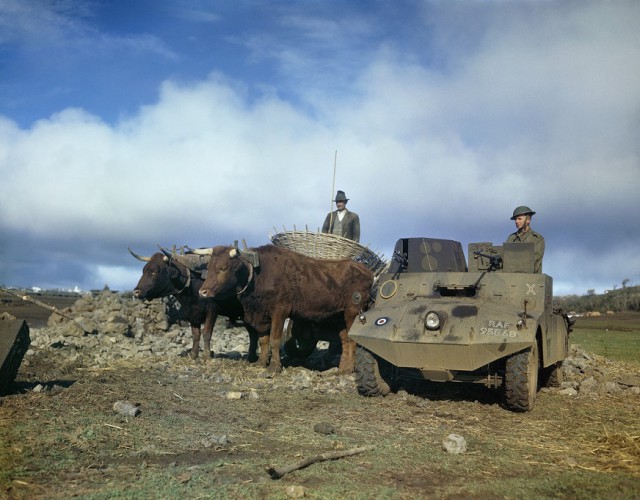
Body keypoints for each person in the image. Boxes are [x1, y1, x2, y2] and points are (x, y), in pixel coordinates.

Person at [506, 205, 545, 273]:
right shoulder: (511, 238)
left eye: (519, 219)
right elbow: (506, 259)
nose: (516, 221)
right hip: (511, 279)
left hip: (531, 280)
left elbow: (534, 263)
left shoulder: (537, 239)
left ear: (528, 220)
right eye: (515, 219)